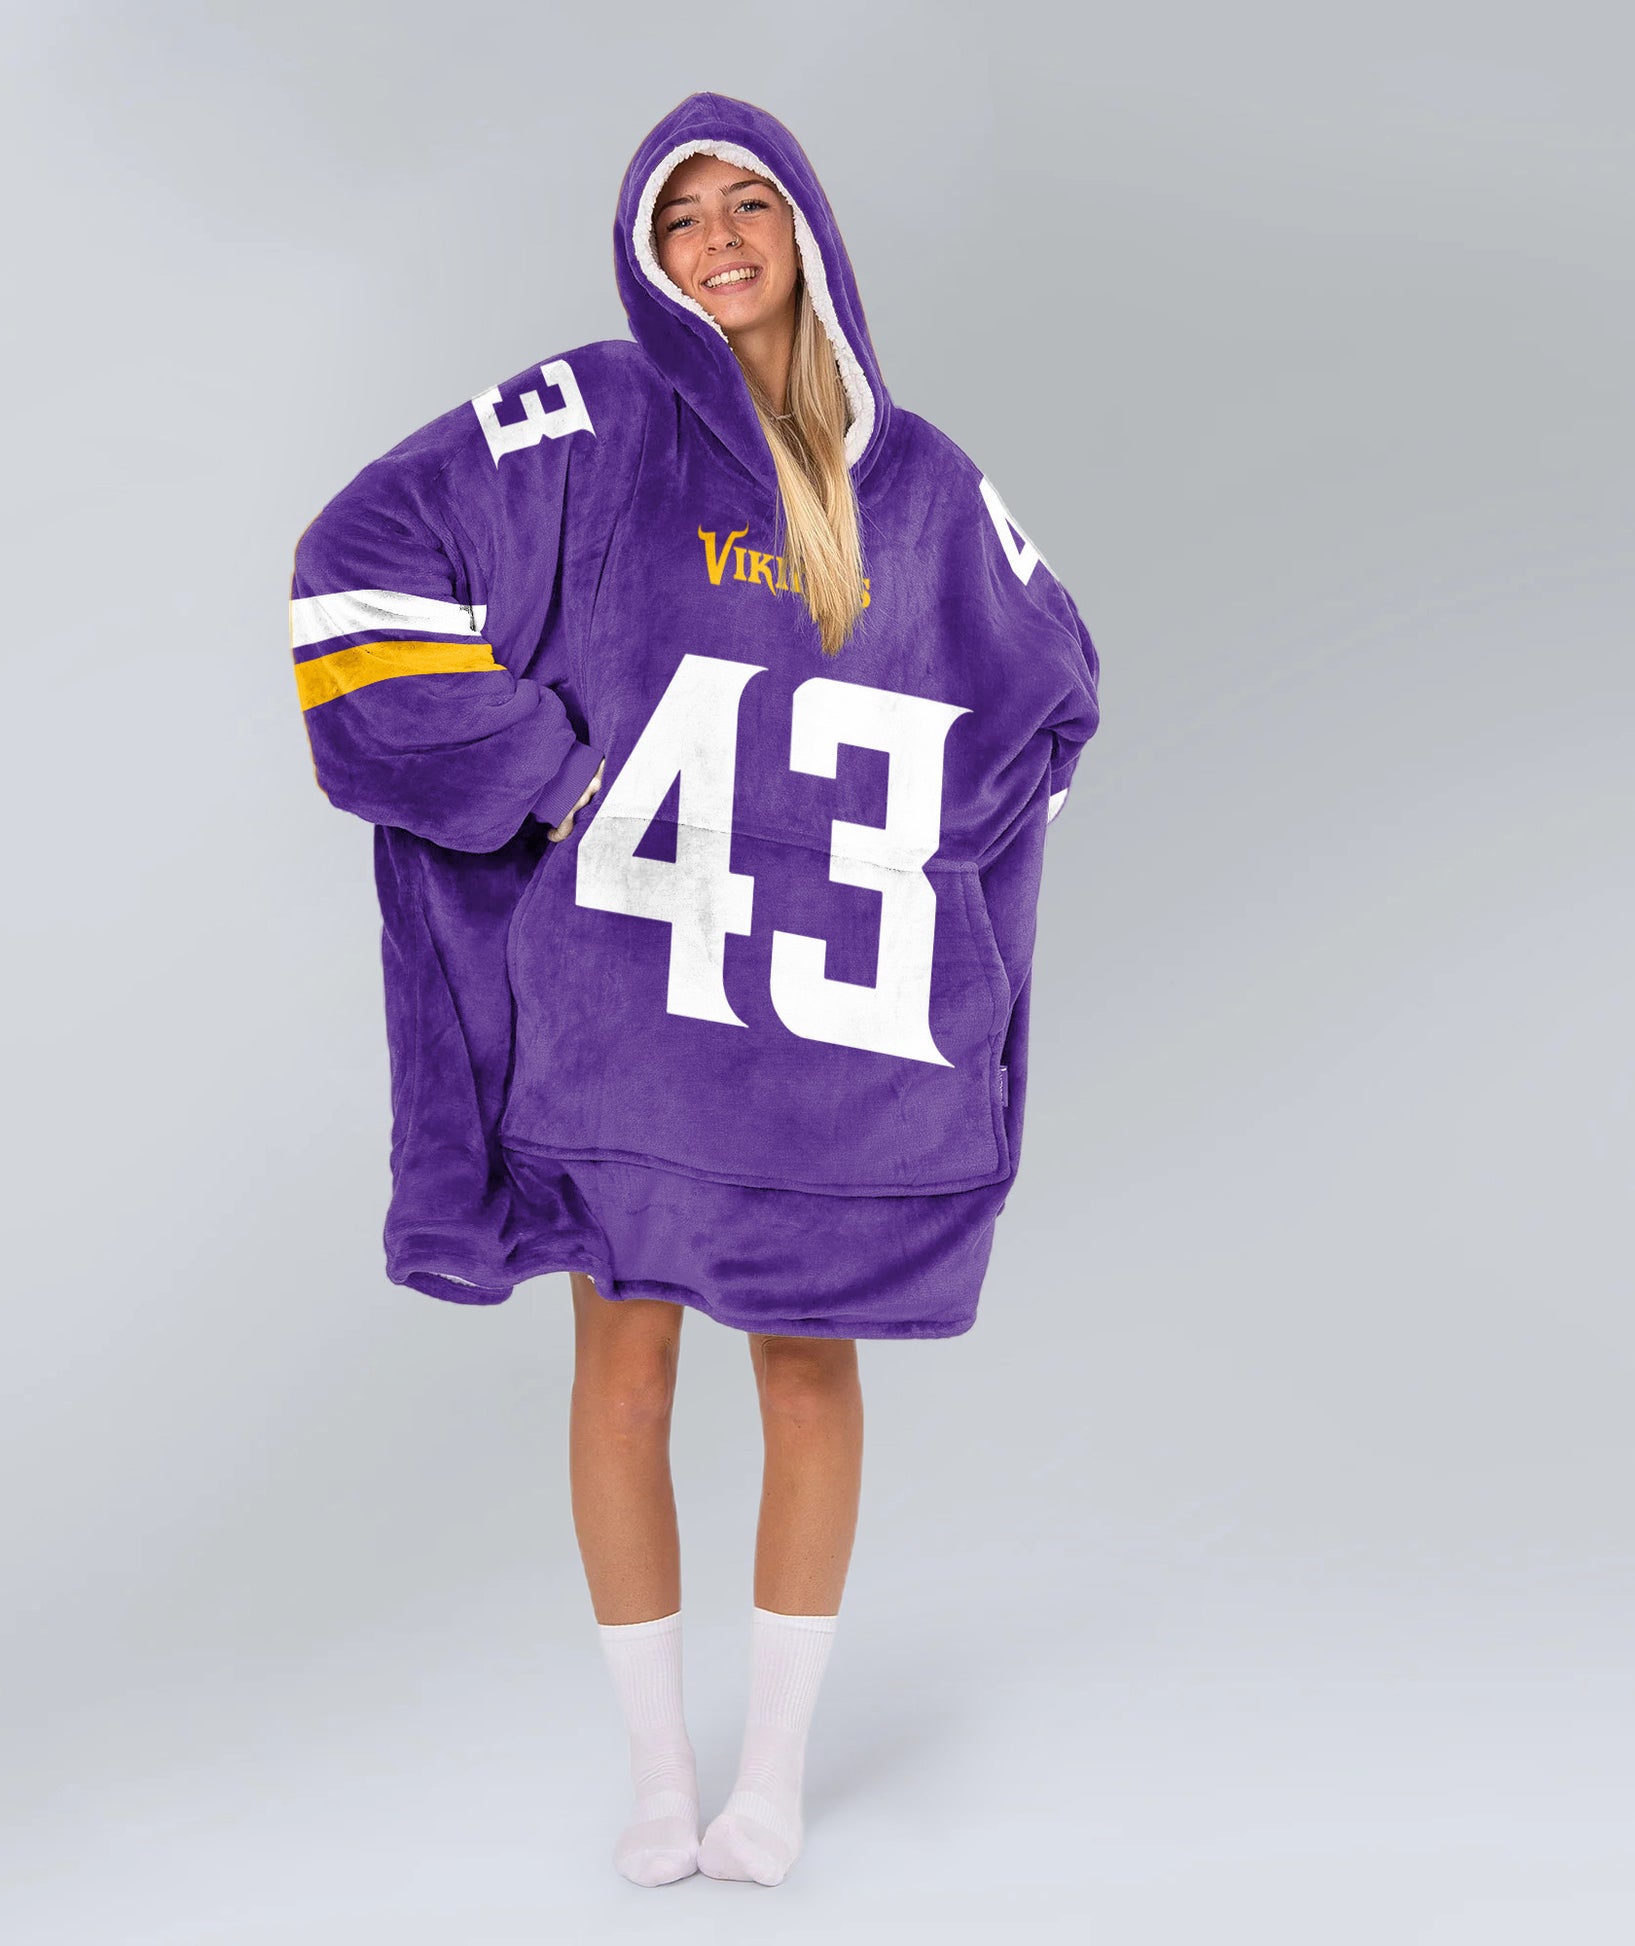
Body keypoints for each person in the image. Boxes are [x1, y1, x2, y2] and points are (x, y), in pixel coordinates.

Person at [287, 92, 1101, 1888]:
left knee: (805, 1366)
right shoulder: (589, 420)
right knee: (624, 1357)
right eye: (682, 218)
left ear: (806, 226)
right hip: (626, 1011)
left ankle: (773, 1781)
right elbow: (357, 560)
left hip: (805, 1037)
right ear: (646, 255)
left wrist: (918, 883)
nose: (717, 240)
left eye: (747, 205)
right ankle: (661, 1777)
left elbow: (1050, 696)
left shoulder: (919, 484)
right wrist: (528, 768)